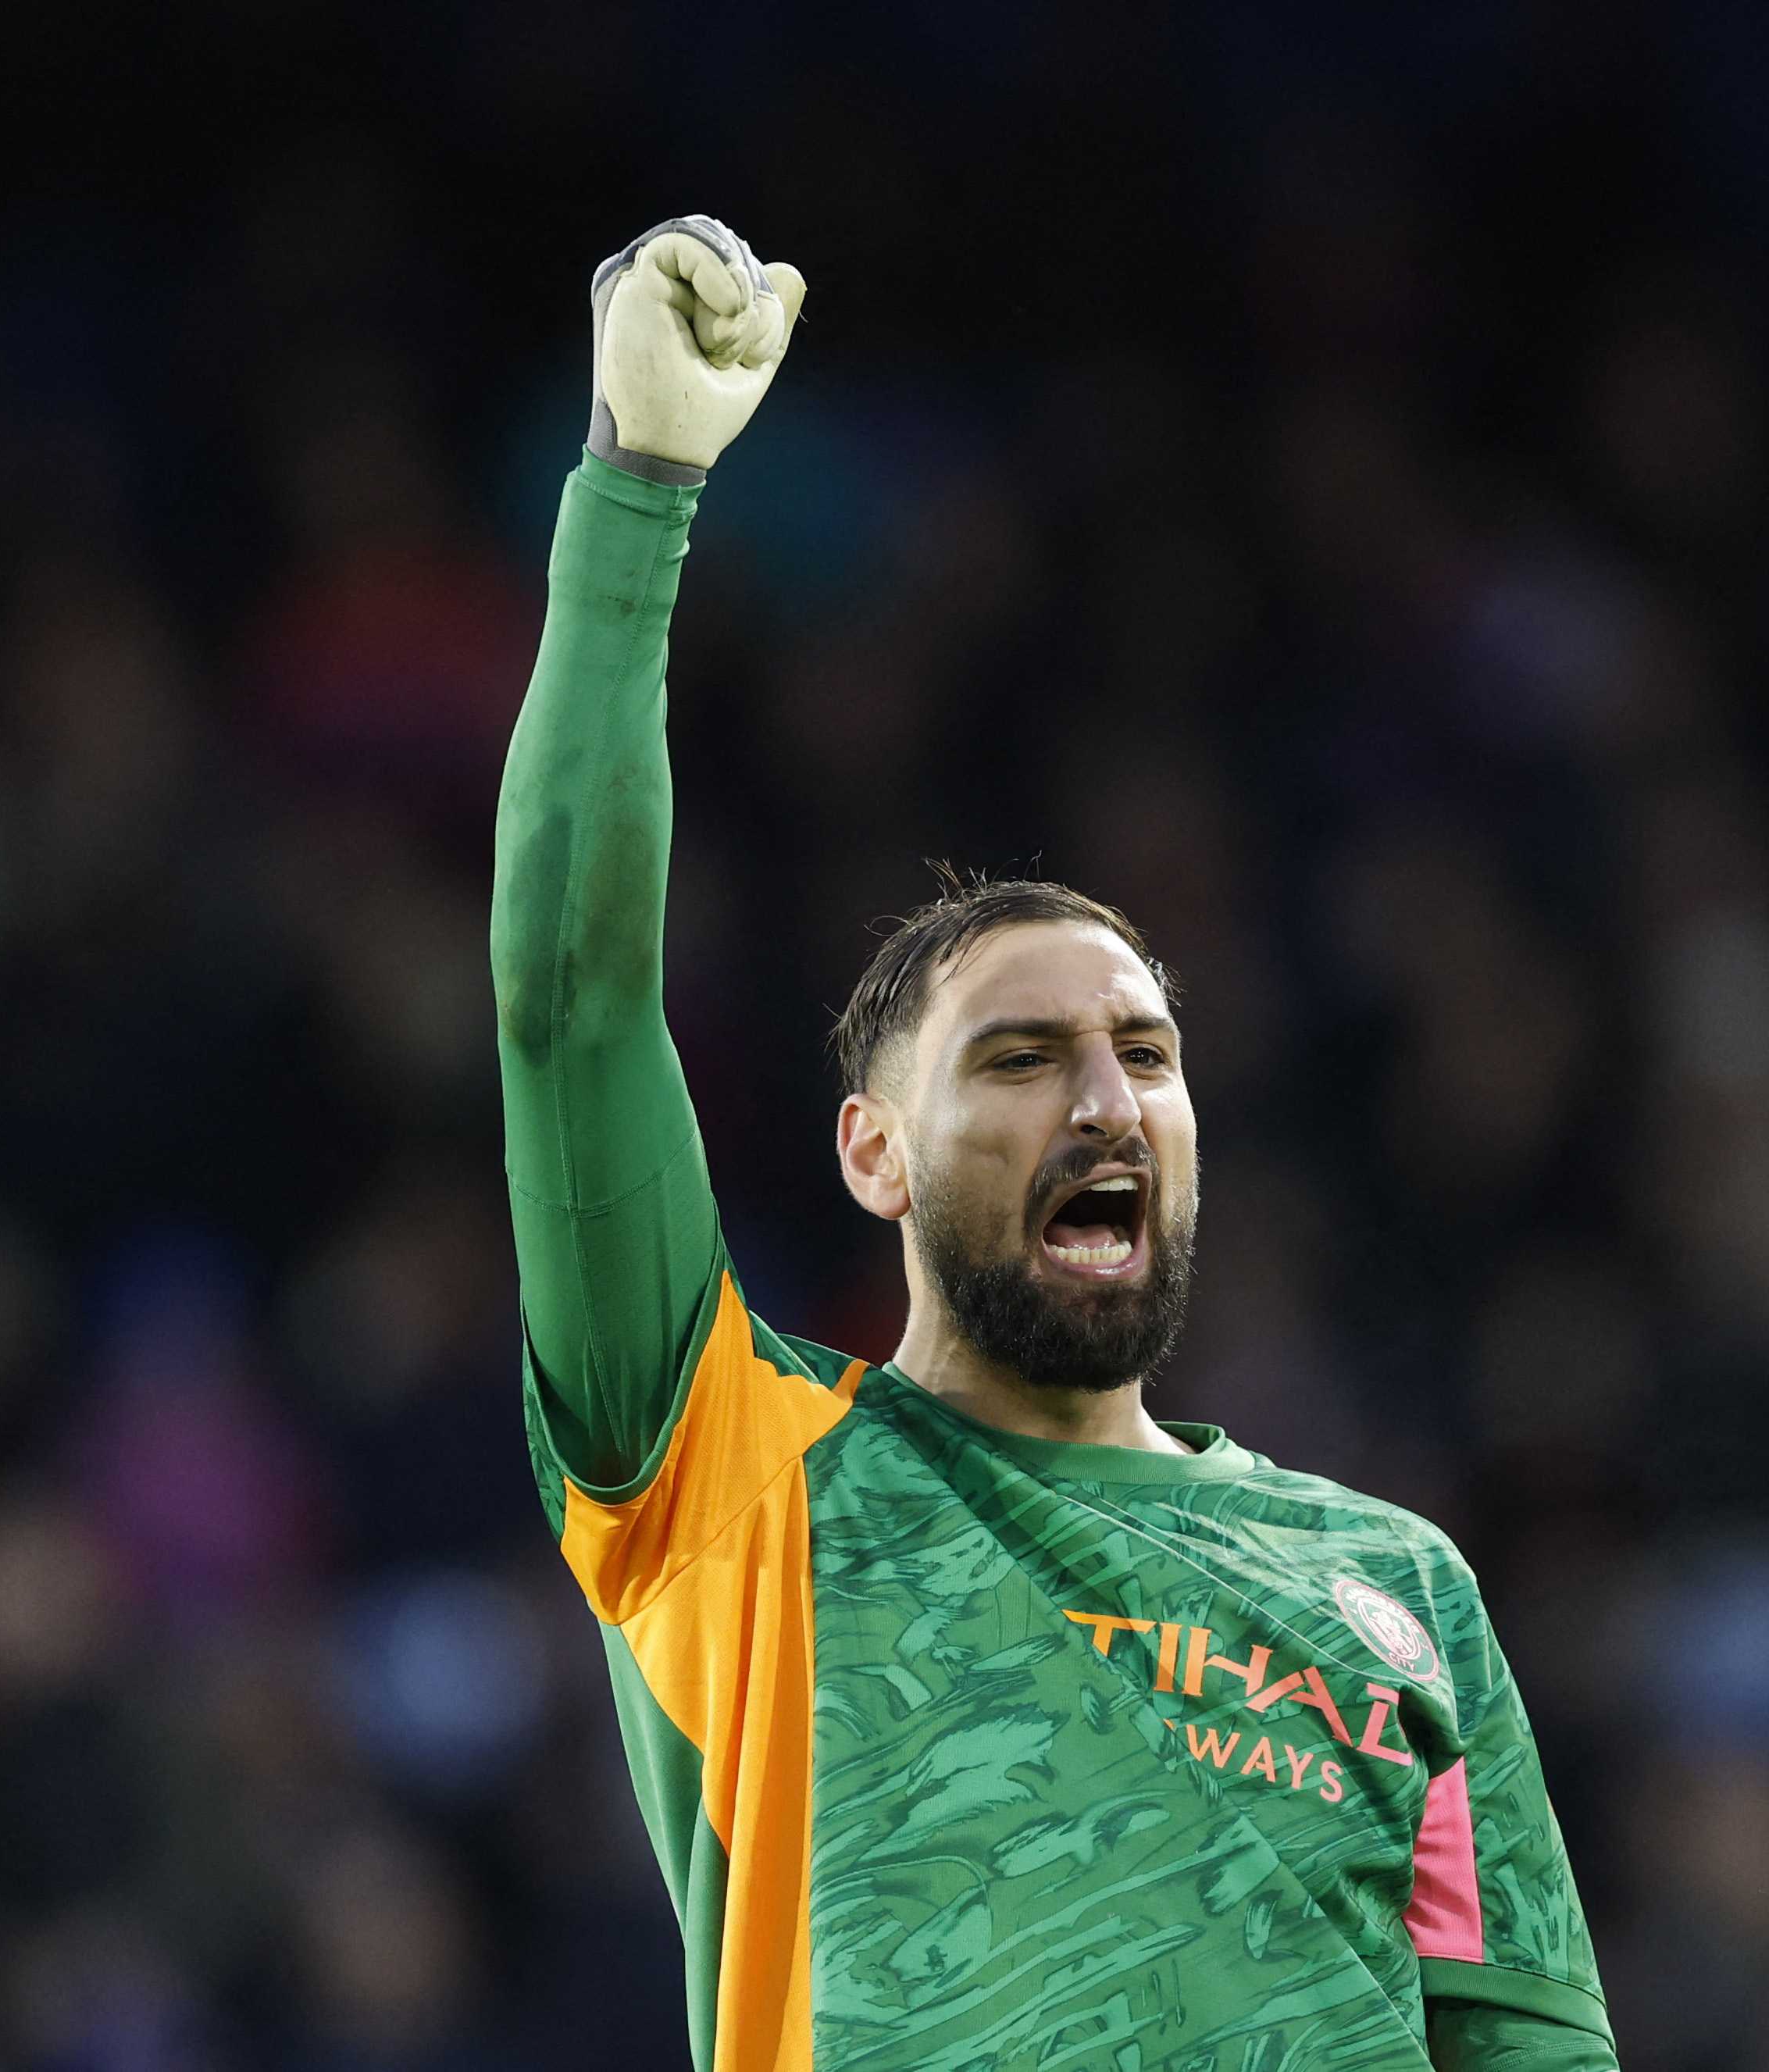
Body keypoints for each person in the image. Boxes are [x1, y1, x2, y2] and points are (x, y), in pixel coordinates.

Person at [492, 215, 1614, 2072]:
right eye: (1017, 1058)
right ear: (873, 1153)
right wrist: (638, 496)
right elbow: (572, 1005)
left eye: (1143, 1053)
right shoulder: (739, 1481)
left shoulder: (1397, 1596)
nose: (1103, 1098)